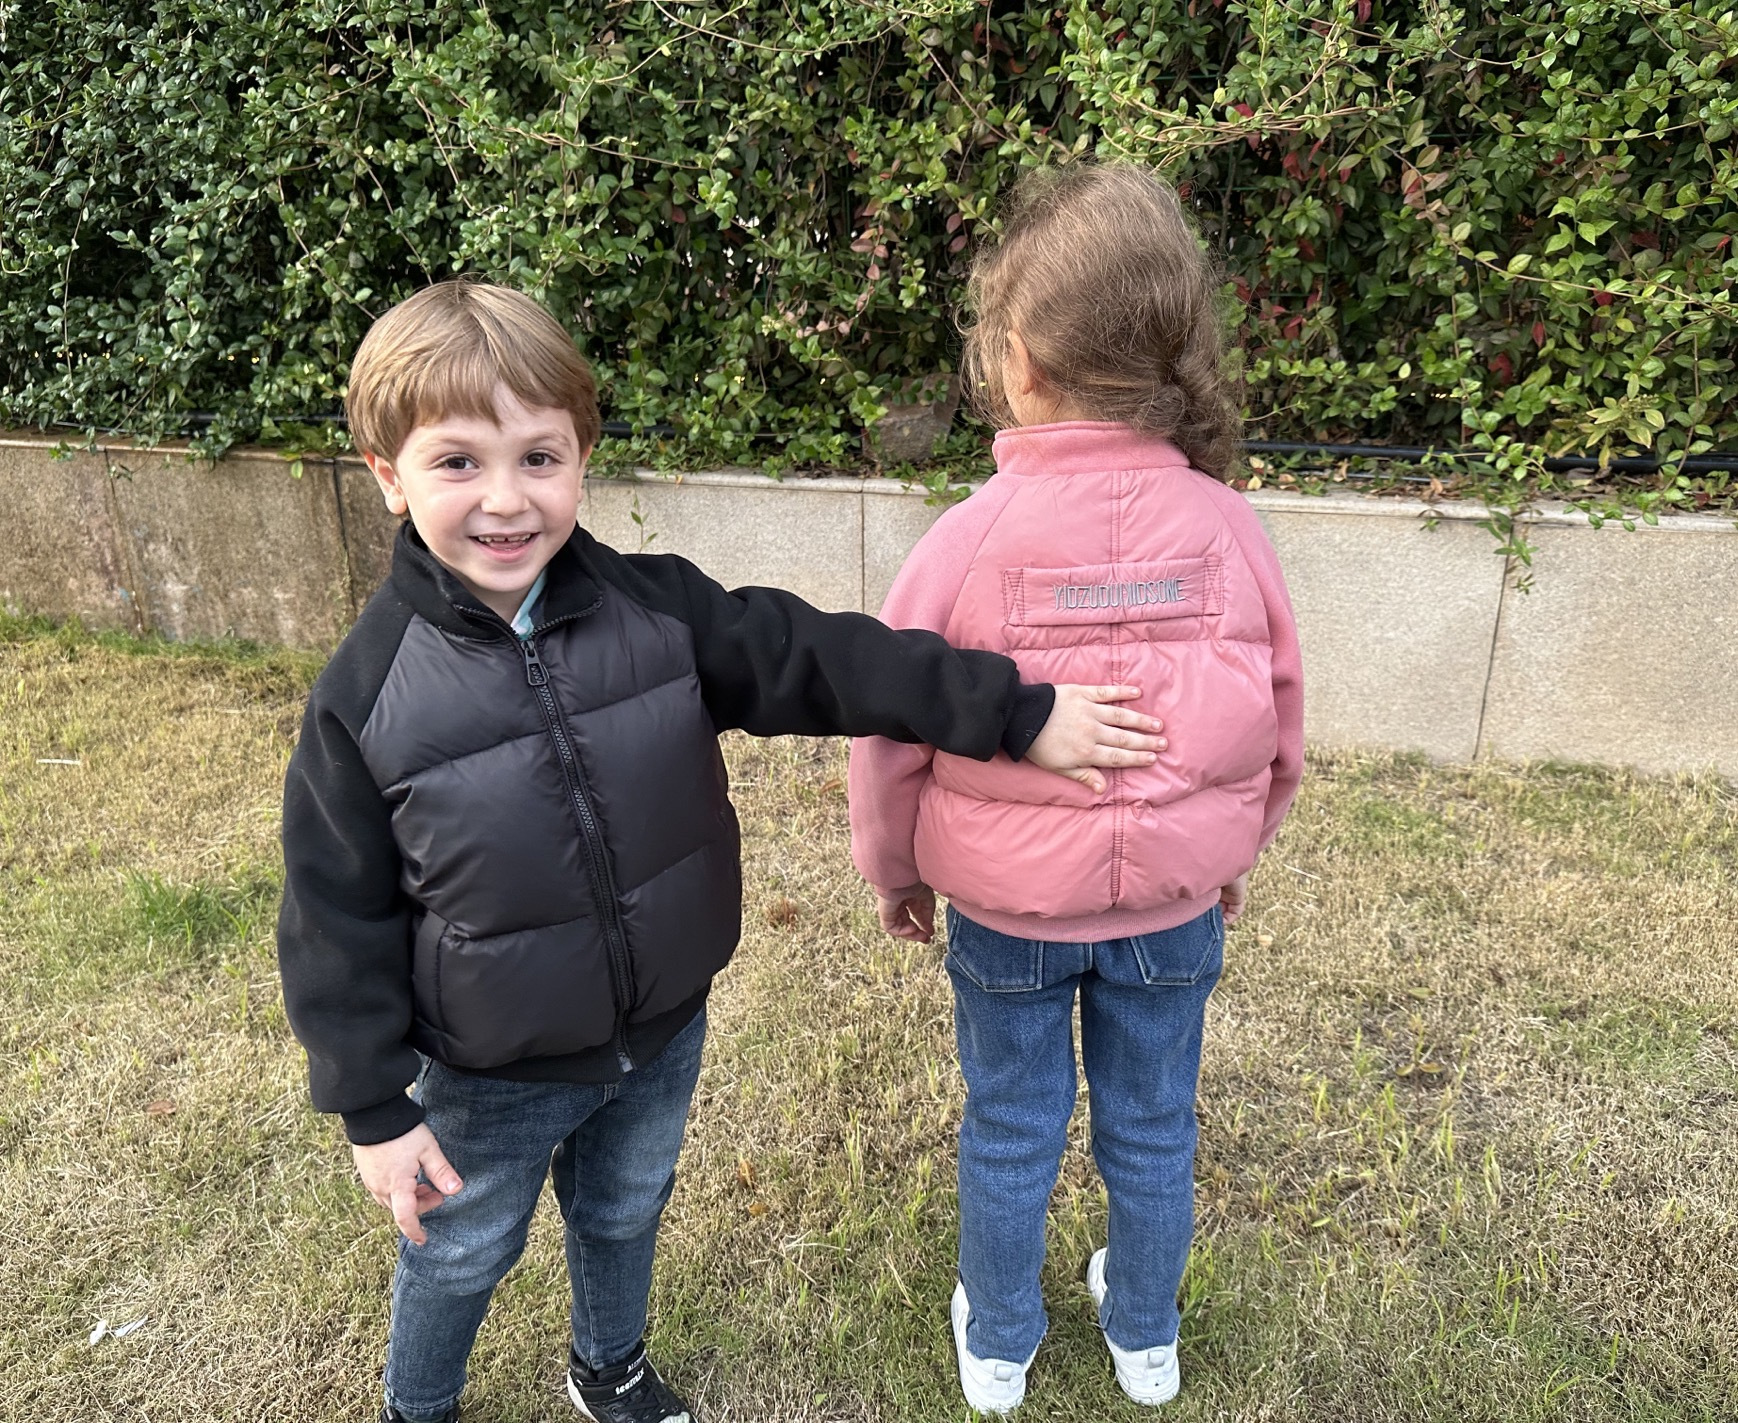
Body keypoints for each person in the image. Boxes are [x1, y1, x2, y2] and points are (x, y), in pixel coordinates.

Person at [275, 280, 1168, 1423]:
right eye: (458, 463)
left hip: (661, 1026)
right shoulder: (367, 692)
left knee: (623, 1210)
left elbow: (826, 658)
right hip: (492, 1065)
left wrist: (1012, 710)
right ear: (387, 474)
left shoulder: (660, 611)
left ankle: (608, 1366)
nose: (505, 499)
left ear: (582, 456)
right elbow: (333, 911)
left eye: (539, 457)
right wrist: (372, 1106)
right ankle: (418, 1407)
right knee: (462, 1250)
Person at [848, 161, 1304, 1413]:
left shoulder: (964, 539)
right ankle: (1144, 1337)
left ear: (1019, 361)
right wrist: (1228, 857)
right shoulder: (1229, 527)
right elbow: (1278, 724)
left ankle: (998, 1345)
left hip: (1007, 919)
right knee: (1153, 1127)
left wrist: (893, 871)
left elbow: (889, 731)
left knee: (1010, 1125)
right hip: (1171, 917)